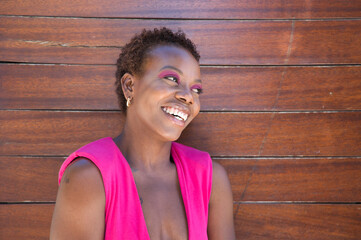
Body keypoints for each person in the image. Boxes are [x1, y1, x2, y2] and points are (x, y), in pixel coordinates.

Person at [50, 27, 235, 240]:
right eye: (172, 79)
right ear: (130, 86)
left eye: (196, 89)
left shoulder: (210, 179)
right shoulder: (89, 178)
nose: (188, 96)